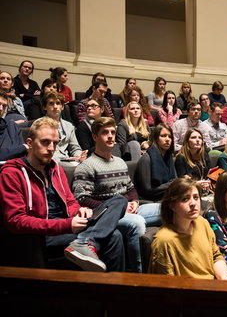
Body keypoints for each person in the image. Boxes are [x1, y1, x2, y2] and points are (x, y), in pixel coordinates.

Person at [0, 117, 126, 272]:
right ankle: (109, 286)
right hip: (45, 234)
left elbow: (70, 201)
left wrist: (79, 211)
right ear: (30, 143)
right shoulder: (12, 173)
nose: (51, 148)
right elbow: (15, 221)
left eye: (55, 143)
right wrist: (67, 225)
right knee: (114, 236)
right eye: (45, 142)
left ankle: (86, 243)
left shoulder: (57, 170)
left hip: (69, 224)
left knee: (119, 201)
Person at [72, 117, 161, 273]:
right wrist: (118, 209)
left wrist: (134, 201)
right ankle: (138, 274)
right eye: (105, 132)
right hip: (106, 216)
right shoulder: (86, 166)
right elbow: (82, 199)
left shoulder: (120, 162)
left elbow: (131, 188)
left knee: (168, 208)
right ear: (95, 137)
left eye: (113, 132)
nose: (111, 136)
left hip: (129, 209)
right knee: (137, 222)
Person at [148, 177, 227, 279]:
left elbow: (216, 256)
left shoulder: (202, 223)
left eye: (196, 197)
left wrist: (224, 278)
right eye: (185, 199)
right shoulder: (163, 240)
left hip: (215, 285)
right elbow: (166, 286)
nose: (193, 203)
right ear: (172, 206)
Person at [42, 91, 87, 164]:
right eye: (51, 103)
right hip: (49, 161)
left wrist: (79, 155)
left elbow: (74, 147)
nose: (55, 106)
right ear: (44, 107)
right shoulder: (39, 124)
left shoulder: (69, 126)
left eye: (58, 103)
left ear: (62, 107)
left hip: (67, 161)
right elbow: (41, 149)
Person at [135, 124, 176, 201]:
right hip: (150, 200)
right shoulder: (146, 159)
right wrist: (173, 184)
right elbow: (147, 191)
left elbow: (174, 180)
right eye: (163, 136)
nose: (167, 139)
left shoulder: (169, 158)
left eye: (170, 137)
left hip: (167, 197)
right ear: (156, 138)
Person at [0, 89, 28, 161]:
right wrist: (22, 147)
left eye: (4, 106)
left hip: (14, 168)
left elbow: (23, 154)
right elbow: (22, 148)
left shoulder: (12, 126)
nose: (1, 108)